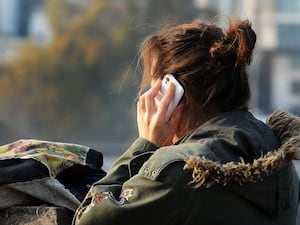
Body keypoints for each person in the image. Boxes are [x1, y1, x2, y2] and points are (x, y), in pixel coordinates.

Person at [73, 17, 300, 225]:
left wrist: (145, 146)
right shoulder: (277, 156)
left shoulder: (180, 170)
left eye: (155, 89)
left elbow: (87, 219)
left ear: (171, 94)